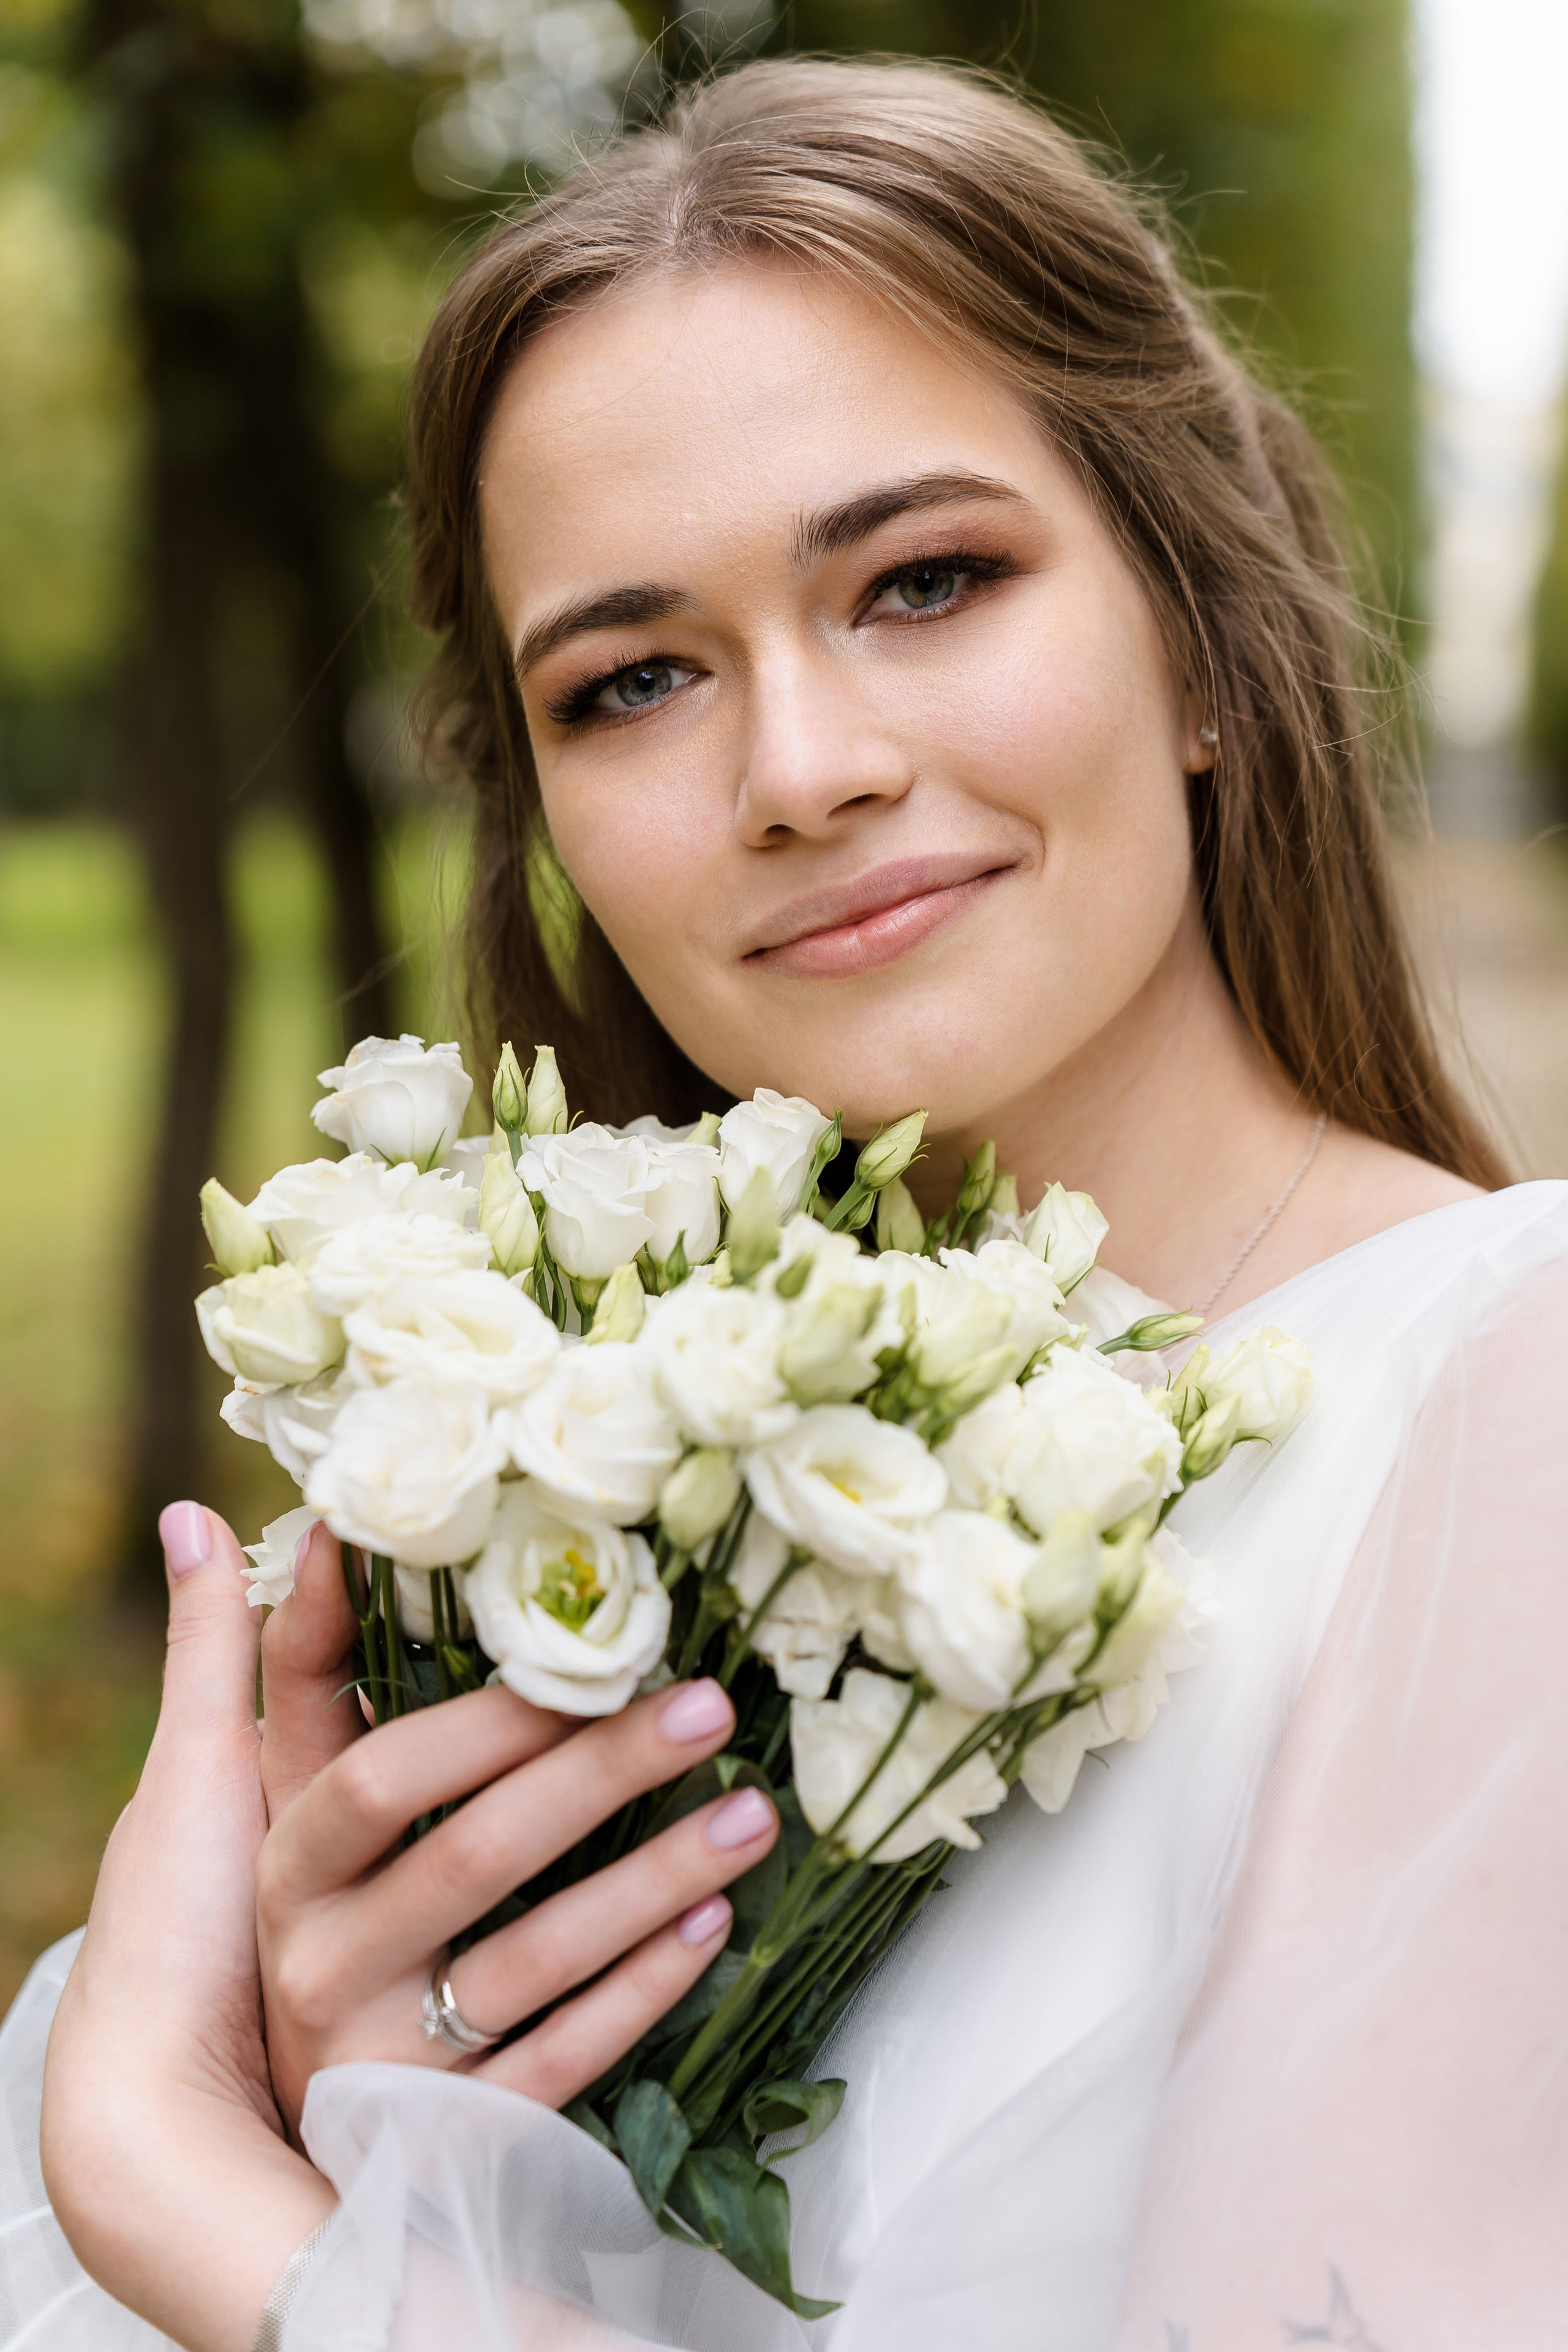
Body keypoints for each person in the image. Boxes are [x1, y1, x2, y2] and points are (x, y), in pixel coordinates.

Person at [6, 53, 1566, 2352]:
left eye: (926, 580)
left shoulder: (1508, 1408)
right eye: (633, 679)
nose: (805, 771)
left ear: (1204, 636)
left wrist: (206, 2192)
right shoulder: (570, 1492)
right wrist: (409, 2120)